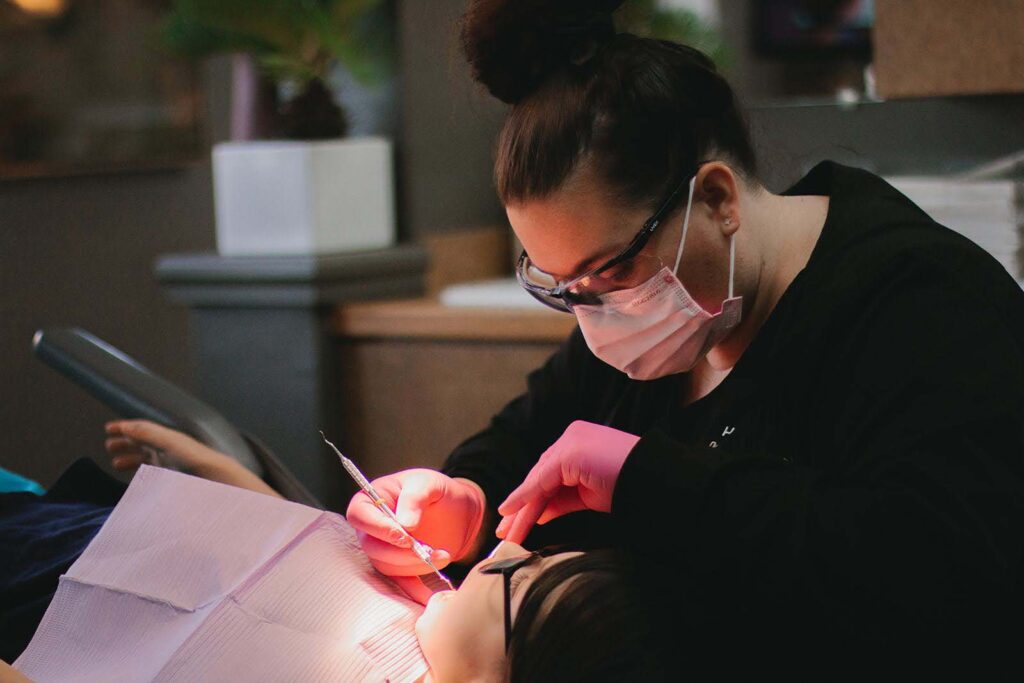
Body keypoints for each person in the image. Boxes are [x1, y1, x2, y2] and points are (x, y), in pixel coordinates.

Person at [342, 0, 1024, 668]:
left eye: (612, 270)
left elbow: (934, 580)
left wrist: (647, 479)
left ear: (719, 198)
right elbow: (525, 441)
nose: (598, 315)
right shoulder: (640, 318)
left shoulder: (922, 304)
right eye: (563, 288)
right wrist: (463, 498)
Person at [2, 426, 673, 682]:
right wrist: (215, 465)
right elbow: (293, 542)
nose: (503, 549)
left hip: (46, 610)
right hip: (103, 531)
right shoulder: (430, 599)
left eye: (516, 581)